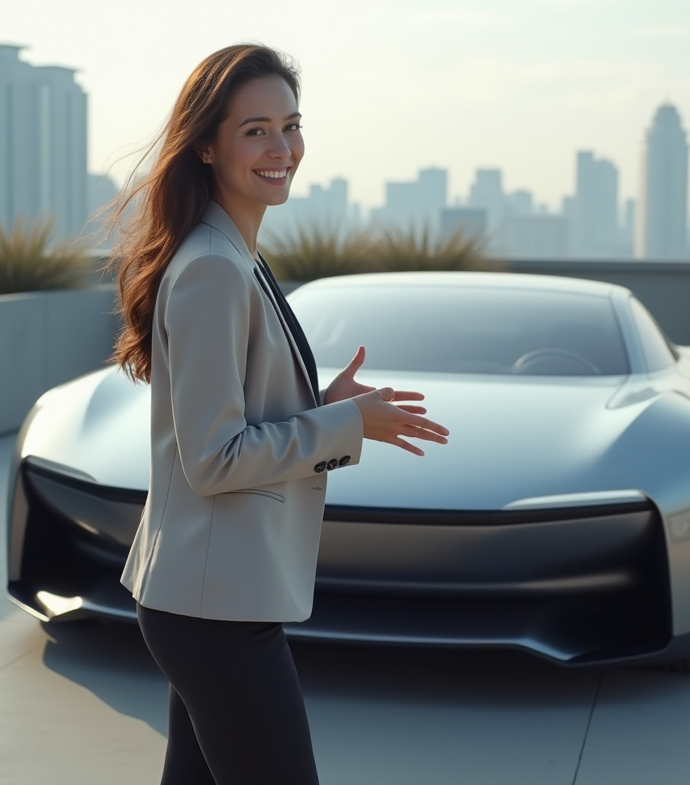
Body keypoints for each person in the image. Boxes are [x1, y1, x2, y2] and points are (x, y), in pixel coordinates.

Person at [108, 43, 450, 785]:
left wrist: (323, 407)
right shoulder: (213, 268)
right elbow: (213, 459)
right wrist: (349, 426)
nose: (282, 148)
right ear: (206, 146)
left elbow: (231, 420)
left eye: (290, 126)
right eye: (255, 130)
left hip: (210, 599)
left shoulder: (234, 254)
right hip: (215, 611)